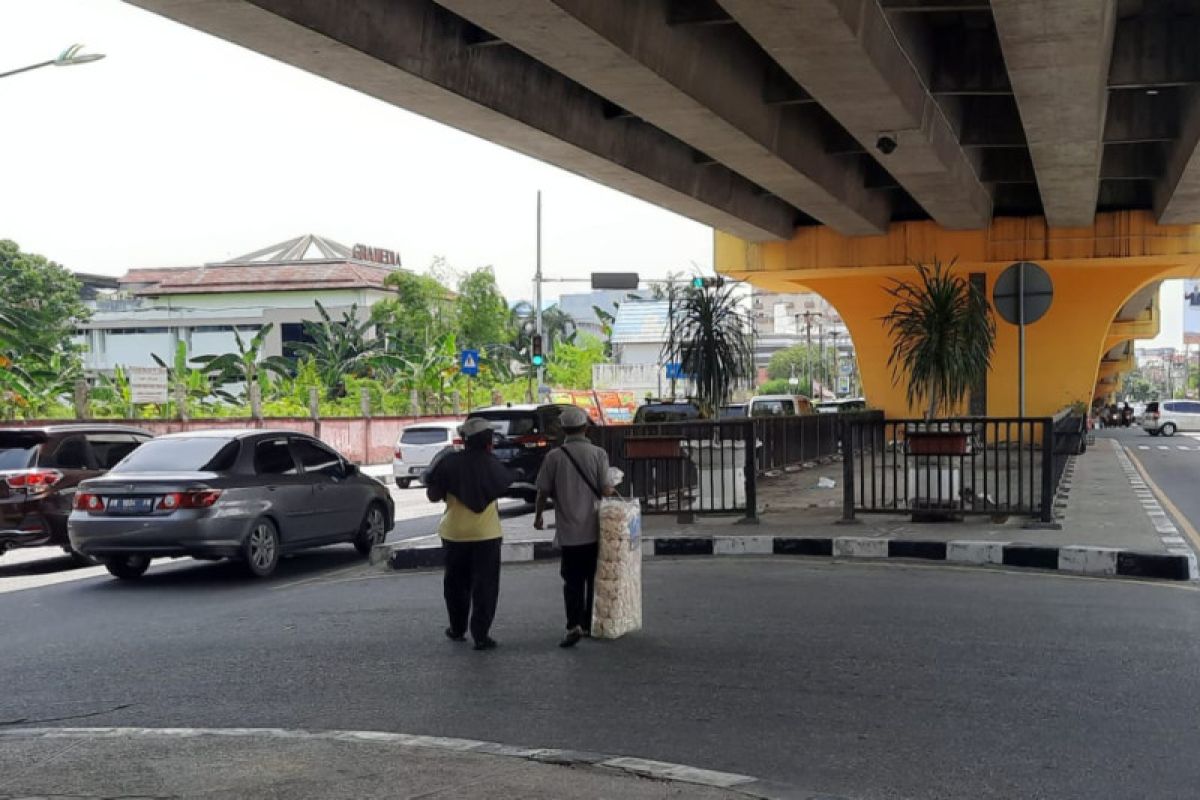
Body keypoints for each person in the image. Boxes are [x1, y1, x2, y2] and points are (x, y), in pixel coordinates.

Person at [424, 417, 514, 651]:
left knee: (455, 585)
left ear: (465, 440)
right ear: (488, 442)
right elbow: (505, 484)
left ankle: (457, 629)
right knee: (486, 586)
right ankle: (481, 636)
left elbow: (433, 495)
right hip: (487, 534)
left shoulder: (448, 462)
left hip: (454, 534)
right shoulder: (493, 465)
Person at [533, 406, 614, 648]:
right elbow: (606, 490)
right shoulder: (598, 454)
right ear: (585, 427)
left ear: (563, 430)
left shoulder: (554, 457)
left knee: (572, 580)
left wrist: (538, 517)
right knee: (592, 577)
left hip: (569, 532)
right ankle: (589, 624)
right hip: (594, 529)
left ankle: (573, 624)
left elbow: (542, 491)